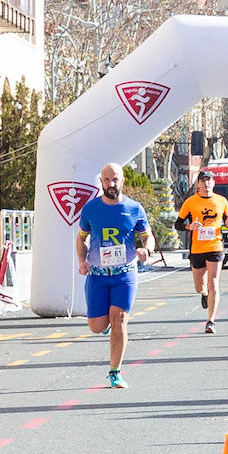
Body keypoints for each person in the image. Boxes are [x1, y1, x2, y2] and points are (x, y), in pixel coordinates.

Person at [76, 162, 153, 388]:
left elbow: (148, 236)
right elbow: (81, 238)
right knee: (96, 327)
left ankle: (115, 371)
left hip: (125, 274)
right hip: (98, 275)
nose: (111, 184)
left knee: (119, 320)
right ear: (101, 182)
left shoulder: (134, 208)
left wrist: (146, 250)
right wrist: (82, 261)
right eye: (107, 180)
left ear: (123, 180)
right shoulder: (90, 209)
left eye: (115, 179)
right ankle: (106, 325)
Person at [175, 170, 228, 333]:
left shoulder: (221, 201)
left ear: (213, 183)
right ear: (198, 184)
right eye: (203, 181)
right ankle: (204, 294)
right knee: (199, 285)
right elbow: (178, 224)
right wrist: (189, 226)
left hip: (215, 246)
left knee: (214, 282)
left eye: (209, 180)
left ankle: (211, 321)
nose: (207, 183)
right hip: (197, 248)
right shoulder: (190, 202)